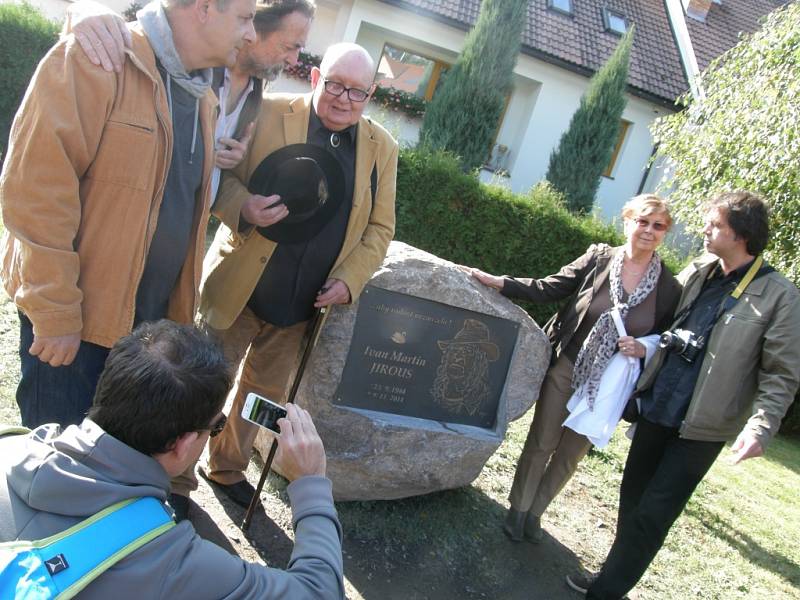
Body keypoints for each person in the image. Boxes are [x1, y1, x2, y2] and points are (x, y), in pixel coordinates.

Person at [0, 0, 258, 429]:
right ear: (205, 8)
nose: (251, 34)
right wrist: (55, 313)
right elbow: (35, 192)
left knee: (106, 478)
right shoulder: (96, 58)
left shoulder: (204, 98)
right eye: (246, 19)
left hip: (146, 340)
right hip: (77, 329)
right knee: (55, 473)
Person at [178, 42, 397, 509]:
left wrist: (350, 280)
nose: (343, 98)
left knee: (263, 395)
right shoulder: (271, 110)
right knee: (205, 381)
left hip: (304, 304)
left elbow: (381, 227)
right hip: (243, 285)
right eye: (335, 84)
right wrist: (244, 207)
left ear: (371, 94)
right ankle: (174, 476)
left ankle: (227, 467)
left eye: (357, 91)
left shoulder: (383, 148)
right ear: (316, 78)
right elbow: (220, 177)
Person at [0, 320, 343, 599]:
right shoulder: (173, 564)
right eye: (217, 425)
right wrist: (310, 483)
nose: (217, 430)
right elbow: (318, 592)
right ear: (183, 444)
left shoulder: (11, 446)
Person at [566, 191, 800, 599]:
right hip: (659, 407)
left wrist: (761, 427)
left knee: (654, 514)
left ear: (741, 234)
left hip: (701, 429)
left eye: (715, 226)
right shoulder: (700, 270)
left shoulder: (781, 296)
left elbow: (781, 373)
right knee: (632, 502)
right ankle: (612, 574)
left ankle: (606, 591)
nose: (704, 230)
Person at [469, 195, 680, 543]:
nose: (648, 230)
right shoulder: (599, 259)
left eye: (658, 226)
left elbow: (666, 337)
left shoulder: (669, 288)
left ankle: (535, 514)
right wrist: (502, 282)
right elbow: (551, 286)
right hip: (568, 366)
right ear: (627, 221)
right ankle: (518, 510)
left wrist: (645, 346)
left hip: (609, 386)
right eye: (642, 221)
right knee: (542, 442)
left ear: (664, 233)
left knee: (570, 454)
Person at [68, 0, 315, 202]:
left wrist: (232, 162)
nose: (294, 60)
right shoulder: (191, 68)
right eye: (290, 46)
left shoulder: (256, 94)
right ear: (255, 27)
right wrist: (84, 11)